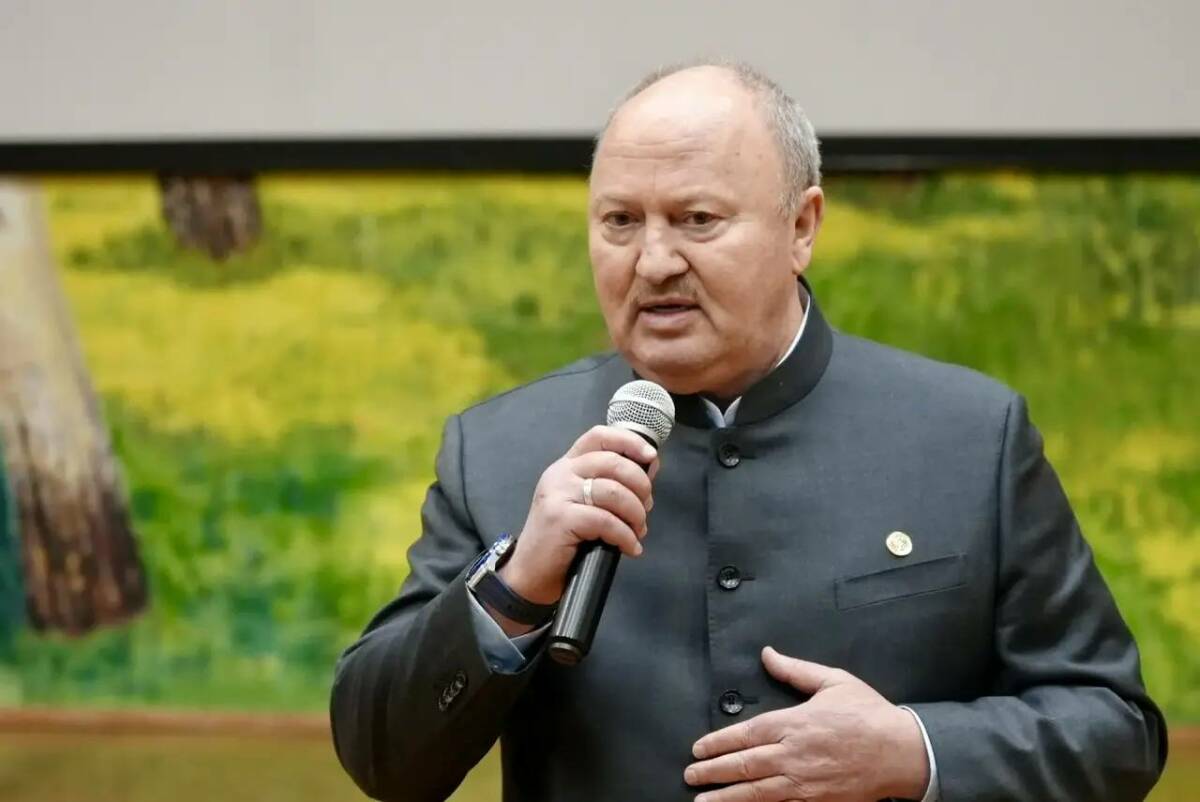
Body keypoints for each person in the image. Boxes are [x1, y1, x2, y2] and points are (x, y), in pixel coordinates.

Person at [329, 61, 1167, 802]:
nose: (654, 261)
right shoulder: (500, 450)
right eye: (620, 221)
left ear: (802, 228)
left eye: (697, 219)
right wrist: (514, 591)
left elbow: (1116, 731)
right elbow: (383, 760)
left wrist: (915, 753)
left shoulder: (969, 437)